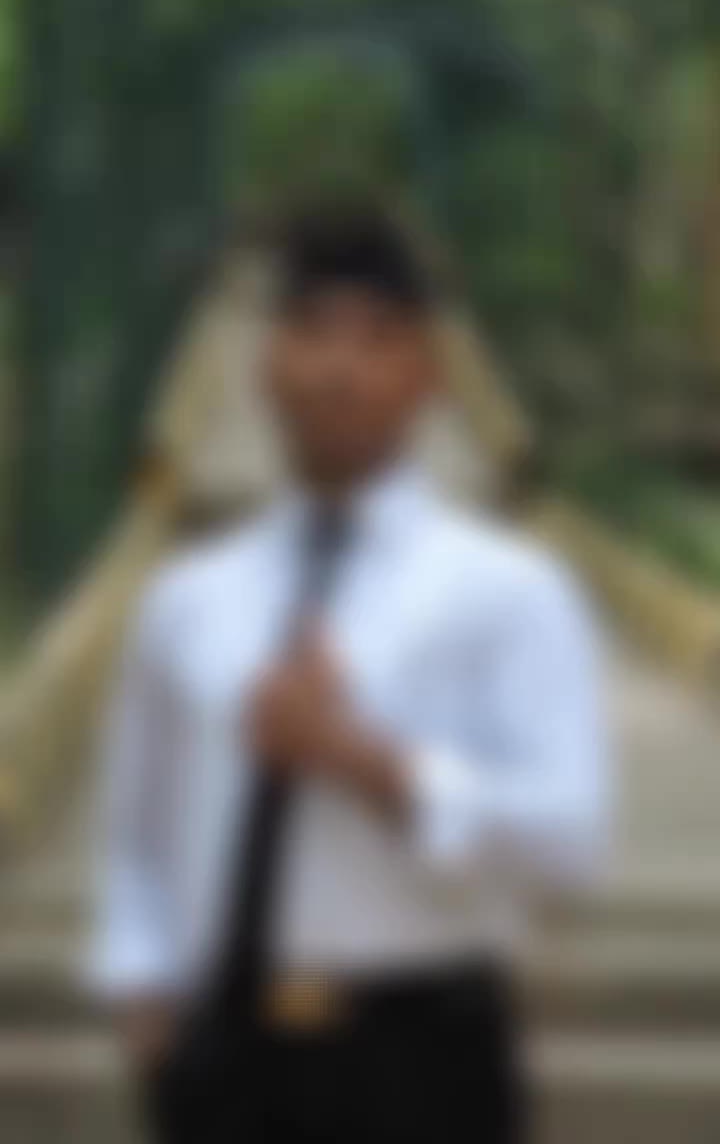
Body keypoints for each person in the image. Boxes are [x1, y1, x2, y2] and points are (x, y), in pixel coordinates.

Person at [88, 200, 607, 1144]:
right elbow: (136, 830)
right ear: (264, 362)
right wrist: (142, 988)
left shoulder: (511, 593)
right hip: (224, 1052)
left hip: (421, 1052)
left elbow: (568, 838)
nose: (339, 368)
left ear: (429, 372)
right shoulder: (189, 600)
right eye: (312, 331)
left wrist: (362, 758)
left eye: (376, 338)